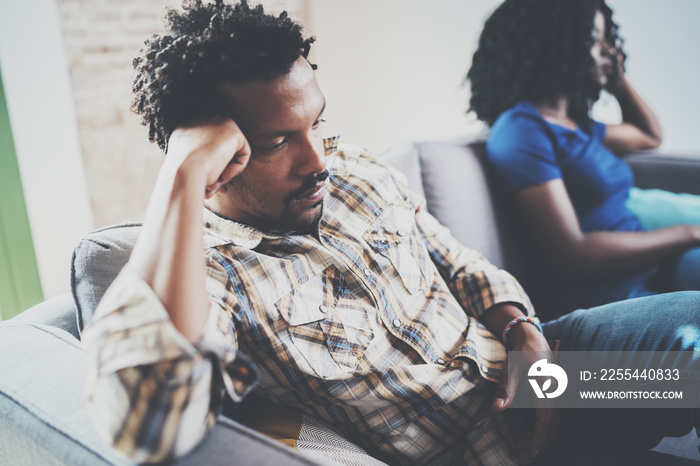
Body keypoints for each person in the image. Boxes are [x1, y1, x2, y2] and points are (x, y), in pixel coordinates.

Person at [83, 1, 700, 465]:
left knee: (691, 347)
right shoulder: (214, 274)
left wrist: (522, 333)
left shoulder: (351, 169)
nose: (318, 160)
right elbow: (147, 420)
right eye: (276, 143)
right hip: (483, 450)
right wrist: (182, 172)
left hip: (550, 380)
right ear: (215, 161)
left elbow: (459, 262)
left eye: (317, 124)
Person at [468, 0, 700, 320]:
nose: (609, 50)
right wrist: (690, 232)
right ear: (556, 45)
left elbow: (649, 135)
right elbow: (574, 253)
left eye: (609, 39)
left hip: (647, 271)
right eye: (594, 39)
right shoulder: (523, 130)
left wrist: (617, 80)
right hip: (603, 296)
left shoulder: (578, 126)